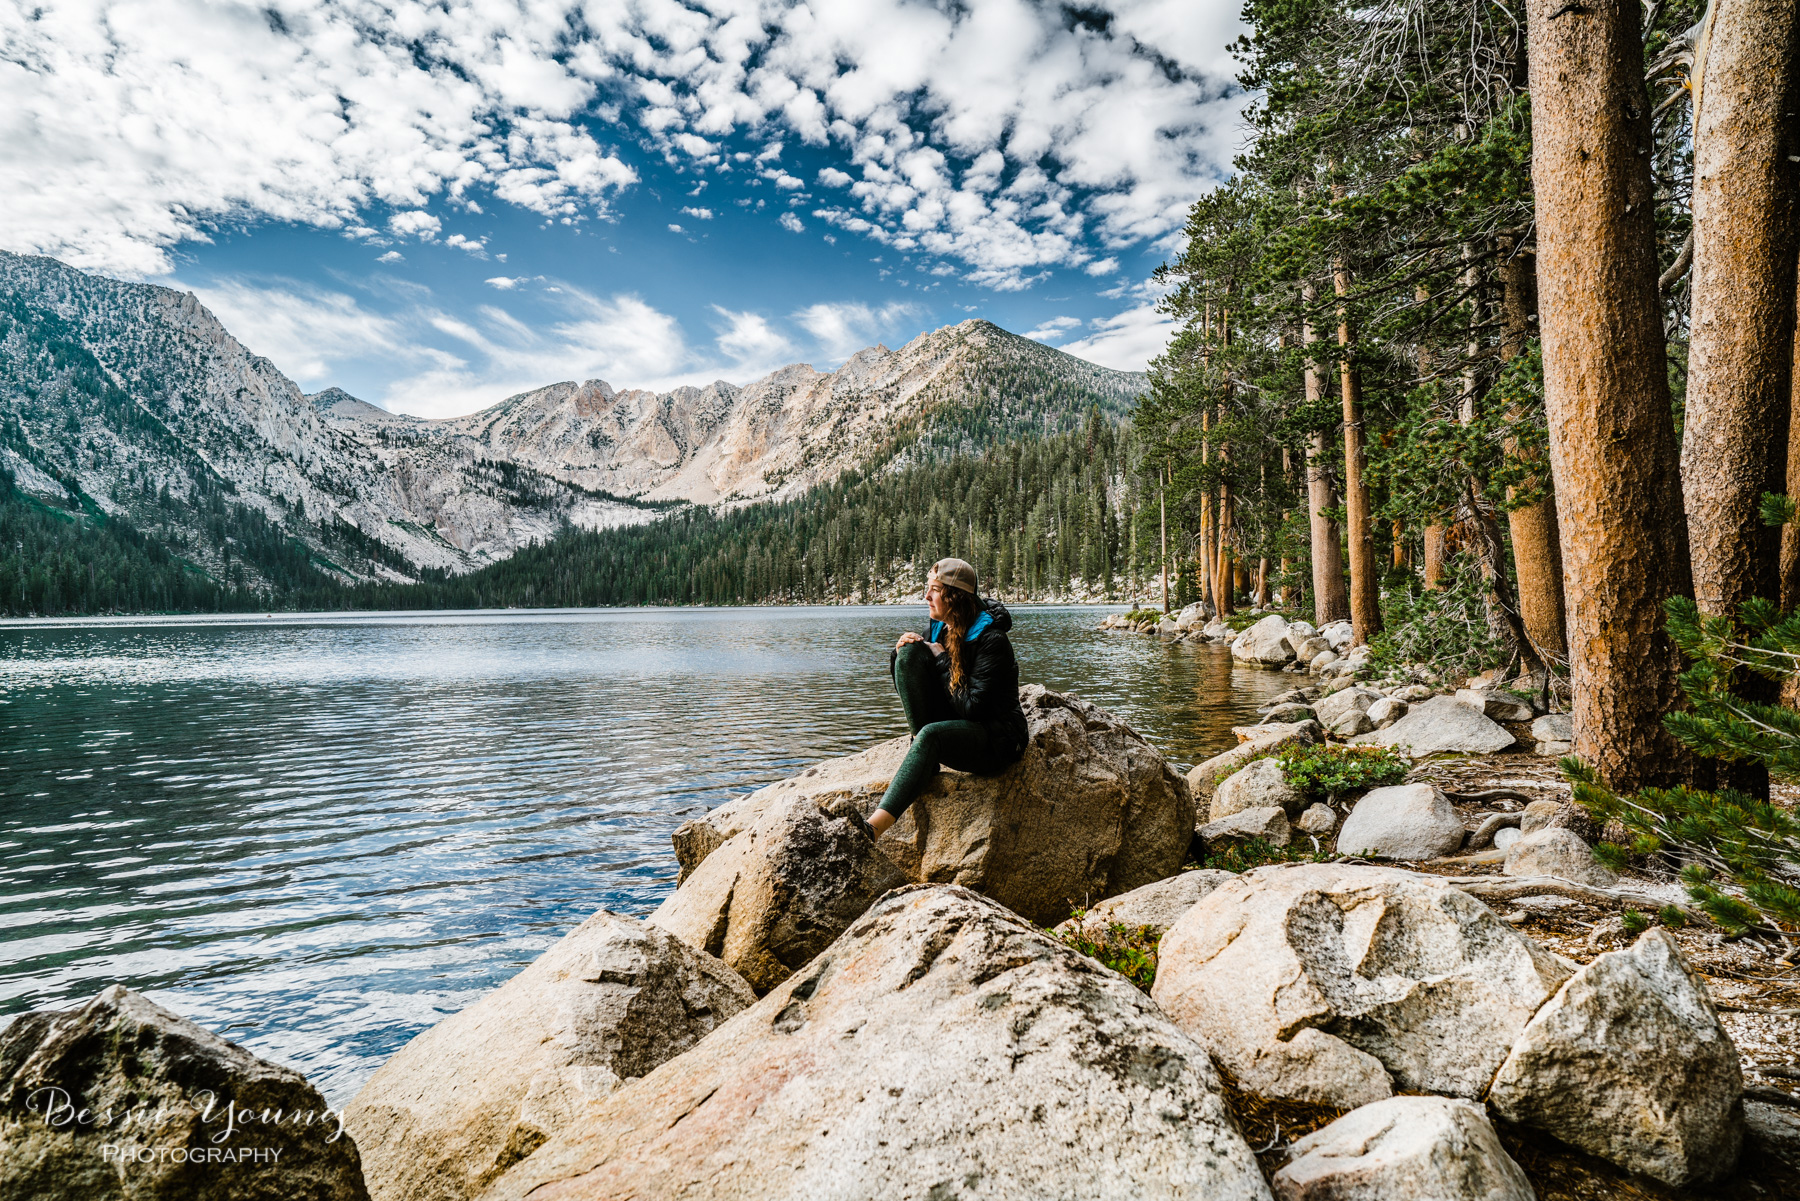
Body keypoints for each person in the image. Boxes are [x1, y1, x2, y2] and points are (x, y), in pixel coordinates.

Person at [868, 558, 1029, 835]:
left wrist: (942, 660)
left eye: (934, 589)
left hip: (996, 739)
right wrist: (900, 655)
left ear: (954, 597)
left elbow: (973, 708)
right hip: (961, 720)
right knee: (908, 654)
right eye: (927, 588)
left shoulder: (992, 640)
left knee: (930, 736)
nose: (926, 596)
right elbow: (914, 688)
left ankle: (872, 829)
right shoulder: (939, 628)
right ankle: (925, 760)